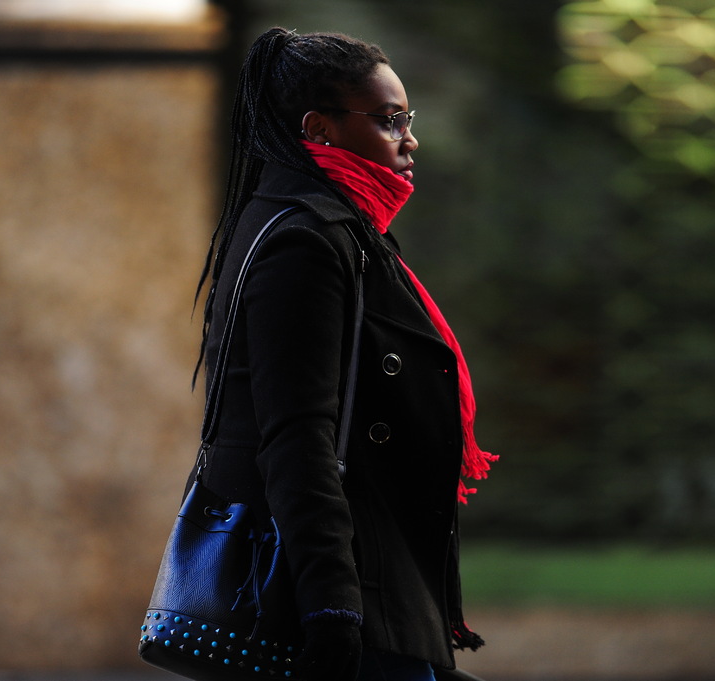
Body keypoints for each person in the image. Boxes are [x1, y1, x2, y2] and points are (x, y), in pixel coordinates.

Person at [191, 27, 498, 681]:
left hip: (371, 583)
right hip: (337, 595)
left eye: (408, 119)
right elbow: (296, 435)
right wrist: (333, 606)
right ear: (320, 129)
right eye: (389, 121)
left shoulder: (336, 228)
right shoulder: (305, 241)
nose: (410, 139)